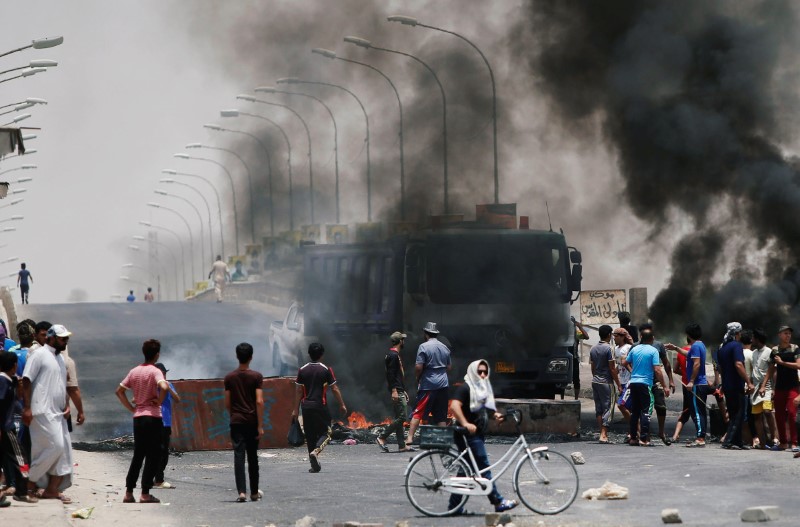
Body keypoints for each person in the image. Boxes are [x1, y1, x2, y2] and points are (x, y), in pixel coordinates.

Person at [448, 360, 518, 514]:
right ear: (473, 371)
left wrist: (496, 415)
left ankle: (454, 507)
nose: (483, 374)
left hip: (476, 434)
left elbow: (485, 409)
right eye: (479, 371)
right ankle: (498, 501)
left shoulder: (481, 389)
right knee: (484, 467)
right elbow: (454, 406)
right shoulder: (465, 388)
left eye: (485, 371)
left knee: (465, 473)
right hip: (467, 435)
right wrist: (466, 423)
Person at [21, 324, 74, 502]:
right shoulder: (39, 354)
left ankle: (52, 490)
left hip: (57, 413)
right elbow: (26, 381)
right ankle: (30, 484)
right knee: (55, 447)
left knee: (63, 452)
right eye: (62, 338)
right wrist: (27, 408)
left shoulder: (59, 358)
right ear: (51, 338)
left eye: (66, 338)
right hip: (41, 411)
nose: (65, 341)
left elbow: (60, 384)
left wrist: (67, 405)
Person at [116, 339, 169, 504]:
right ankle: (145, 493)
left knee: (138, 455)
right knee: (153, 455)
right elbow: (165, 387)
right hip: (152, 417)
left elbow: (119, 391)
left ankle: (129, 492)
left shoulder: (134, 371)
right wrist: (159, 401)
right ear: (157, 354)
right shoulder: (155, 371)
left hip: (138, 417)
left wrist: (132, 409)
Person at [292, 343, 347, 473]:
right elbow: (334, 388)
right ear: (322, 355)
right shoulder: (326, 369)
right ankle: (316, 451)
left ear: (309, 354)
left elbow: (299, 391)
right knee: (327, 433)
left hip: (306, 407)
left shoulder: (302, 370)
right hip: (320, 406)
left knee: (310, 435)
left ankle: (314, 465)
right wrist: (342, 404)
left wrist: (295, 409)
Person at [223, 343, 263, 502]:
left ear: (237, 356)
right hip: (252, 421)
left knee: (239, 456)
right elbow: (259, 401)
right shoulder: (256, 377)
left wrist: (233, 415)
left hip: (237, 421)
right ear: (251, 357)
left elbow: (227, 402)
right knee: (253, 457)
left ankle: (241, 492)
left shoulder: (229, 378)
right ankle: (254, 492)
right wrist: (260, 425)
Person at [406, 322, 452, 444]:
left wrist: (418, 377)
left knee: (418, 411)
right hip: (443, 384)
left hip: (428, 384)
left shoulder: (423, 347)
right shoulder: (445, 347)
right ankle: (444, 439)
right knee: (441, 414)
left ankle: (409, 438)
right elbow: (449, 367)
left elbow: (418, 367)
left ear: (426, 334)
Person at [0, 351, 37, 503]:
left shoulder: (9, 380)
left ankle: (17, 489)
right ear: (15, 365)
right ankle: (22, 490)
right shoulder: (3, 381)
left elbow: (16, 400)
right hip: (6, 428)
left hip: (6, 427)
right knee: (21, 459)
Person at [666, 323, 711, 447]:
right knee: (699, 411)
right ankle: (700, 436)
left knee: (697, 412)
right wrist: (675, 348)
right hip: (700, 383)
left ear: (688, 335)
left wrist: (691, 381)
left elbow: (696, 364)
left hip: (697, 384)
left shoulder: (696, 346)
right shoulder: (700, 345)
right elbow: (689, 355)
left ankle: (700, 438)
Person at [625, 330, 669, 446]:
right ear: (652, 338)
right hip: (645, 384)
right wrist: (664, 386)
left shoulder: (635, 349)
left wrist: (632, 371)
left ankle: (634, 438)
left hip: (634, 383)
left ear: (641, 337)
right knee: (646, 411)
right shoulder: (653, 351)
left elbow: (625, 362)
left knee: (635, 411)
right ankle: (644, 438)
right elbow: (657, 369)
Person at [716, 322, 754, 450]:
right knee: (738, 413)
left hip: (727, 385)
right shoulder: (737, 346)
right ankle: (728, 441)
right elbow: (738, 364)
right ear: (738, 333)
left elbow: (719, 368)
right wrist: (748, 382)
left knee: (733, 413)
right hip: (736, 385)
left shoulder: (722, 347)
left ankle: (737, 441)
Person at [376, 331, 414, 453]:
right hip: (396, 390)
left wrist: (403, 389)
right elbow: (391, 374)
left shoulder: (393, 354)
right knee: (402, 417)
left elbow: (397, 376)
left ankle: (401, 445)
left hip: (399, 389)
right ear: (400, 341)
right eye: (403, 340)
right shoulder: (392, 355)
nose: (404, 342)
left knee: (399, 417)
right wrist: (394, 390)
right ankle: (382, 436)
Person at [640, 323, 675, 445]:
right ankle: (646, 434)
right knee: (644, 409)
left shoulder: (658, 345)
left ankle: (661, 431)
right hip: (643, 382)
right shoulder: (636, 346)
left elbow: (666, 363)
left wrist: (670, 380)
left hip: (656, 381)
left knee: (661, 407)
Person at [589, 324, 622, 443]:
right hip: (606, 382)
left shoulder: (593, 348)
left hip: (595, 381)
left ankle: (601, 432)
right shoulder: (609, 349)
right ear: (609, 335)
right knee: (608, 407)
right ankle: (604, 434)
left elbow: (592, 367)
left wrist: (596, 377)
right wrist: (618, 383)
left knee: (599, 408)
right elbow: (612, 368)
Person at [769, 325, 799, 451]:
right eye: (785, 333)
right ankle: (783, 442)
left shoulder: (795, 348)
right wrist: (764, 384)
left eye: (789, 333)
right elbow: (771, 368)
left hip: (793, 386)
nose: (788, 336)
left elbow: (798, 365)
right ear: (779, 335)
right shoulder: (775, 350)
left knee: (792, 414)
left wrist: (782, 363)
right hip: (780, 386)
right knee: (779, 415)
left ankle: (794, 442)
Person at [153, 363, 180, 490]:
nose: (163, 376)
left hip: (166, 423)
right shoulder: (151, 387)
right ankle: (158, 479)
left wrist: (168, 388)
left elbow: (177, 399)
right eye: (161, 373)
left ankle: (156, 478)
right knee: (158, 451)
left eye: (164, 373)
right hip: (155, 422)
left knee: (164, 452)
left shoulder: (169, 385)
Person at [751, 329, 779, 450]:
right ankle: (762, 444)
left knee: (768, 412)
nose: (751, 340)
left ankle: (775, 439)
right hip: (756, 389)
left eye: (753, 338)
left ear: (758, 339)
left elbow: (772, 370)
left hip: (766, 388)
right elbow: (754, 371)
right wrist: (750, 385)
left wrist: (772, 388)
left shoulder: (769, 352)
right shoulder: (754, 353)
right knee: (757, 416)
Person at [612, 327, 633, 422]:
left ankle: (636, 428)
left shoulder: (628, 348)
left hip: (630, 382)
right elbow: (619, 366)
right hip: (622, 381)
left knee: (621, 404)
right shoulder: (616, 349)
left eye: (616, 336)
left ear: (622, 337)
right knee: (628, 407)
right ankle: (633, 431)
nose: (614, 338)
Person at [570, 316, 590, 400]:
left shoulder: (576, 333)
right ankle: (562, 398)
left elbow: (586, 336)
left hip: (574, 358)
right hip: (564, 358)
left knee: (576, 380)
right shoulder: (563, 332)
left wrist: (579, 326)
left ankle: (576, 398)